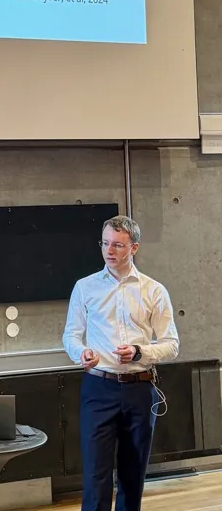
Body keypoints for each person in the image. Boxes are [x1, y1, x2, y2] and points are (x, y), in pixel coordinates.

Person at [62, 215, 179, 511]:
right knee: (96, 476)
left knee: (132, 475)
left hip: (140, 391)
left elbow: (172, 345)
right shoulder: (85, 287)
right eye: (104, 243)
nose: (109, 251)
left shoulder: (154, 291)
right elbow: (71, 335)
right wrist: (81, 353)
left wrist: (140, 352)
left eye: (117, 245)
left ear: (134, 247)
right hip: (98, 388)